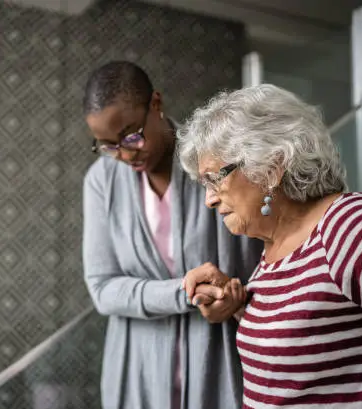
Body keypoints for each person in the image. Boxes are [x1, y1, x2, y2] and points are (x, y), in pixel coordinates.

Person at [178, 83, 362, 409]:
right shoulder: (273, 250)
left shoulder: (350, 225)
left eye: (215, 178)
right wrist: (239, 305)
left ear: (272, 166)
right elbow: (312, 348)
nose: (209, 199)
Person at [81, 61, 262, 409]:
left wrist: (235, 299)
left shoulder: (215, 161)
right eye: (107, 145)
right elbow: (103, 288)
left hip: (222, 358)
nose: (124, 154)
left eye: (131, 135)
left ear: (156, 103)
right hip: (137, 368)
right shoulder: (100, 182)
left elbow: (264, 256)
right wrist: (184, 292)